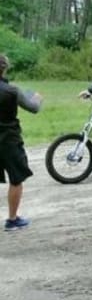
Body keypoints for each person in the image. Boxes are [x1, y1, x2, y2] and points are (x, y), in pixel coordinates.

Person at [0, 54, 42, 230]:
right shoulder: (12, 91)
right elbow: (33, 108)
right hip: (8, 139)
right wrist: (37, 97)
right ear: (5, 68)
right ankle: (12, 219)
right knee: (16, 178)